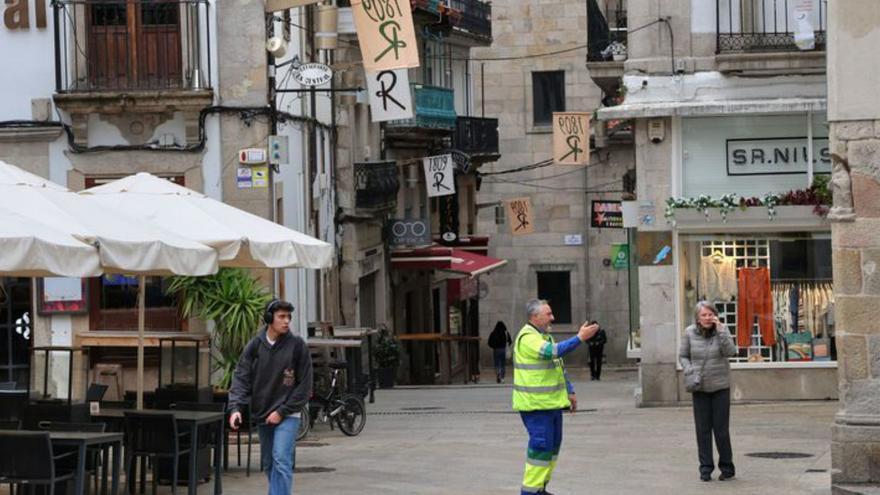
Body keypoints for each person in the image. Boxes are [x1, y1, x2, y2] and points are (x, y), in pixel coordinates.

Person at [513, 299, 599, 495]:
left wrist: (569, 390)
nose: (553, 317)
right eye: (548, 314)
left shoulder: (544, 336)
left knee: (551, 450)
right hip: (536, 407)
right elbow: (555, 352)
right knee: (540, 450)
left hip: (550, 405)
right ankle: (530, 492)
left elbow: (558, 366)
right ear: (535, 317)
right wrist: (580, 337)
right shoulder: (527, 337)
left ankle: (540, 489)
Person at [228, 299, 313, 495]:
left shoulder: (297, 346)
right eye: (281, 317)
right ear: (269, 319)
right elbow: (241, 377)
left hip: (288, 413)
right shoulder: (255, 346)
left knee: (281, 460)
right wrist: (235, 409)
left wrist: (282, 412)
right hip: (263, 413)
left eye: (288, 317)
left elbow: (305, 387)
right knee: (268, 464)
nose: (286, 321)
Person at [679, 301, 738, 482]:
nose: (707, 318)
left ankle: (727, 467)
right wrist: (689, 370)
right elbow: (683, 356)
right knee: (702, 430)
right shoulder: (689, 332)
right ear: (697, 317)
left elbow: (731, 352)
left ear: (715, 315)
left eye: (709, 314)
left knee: (721, 430)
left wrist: (721, 332)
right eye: (703, 315)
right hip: (700, 387)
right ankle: (705, 468)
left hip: (720, 386)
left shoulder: (722, 330)